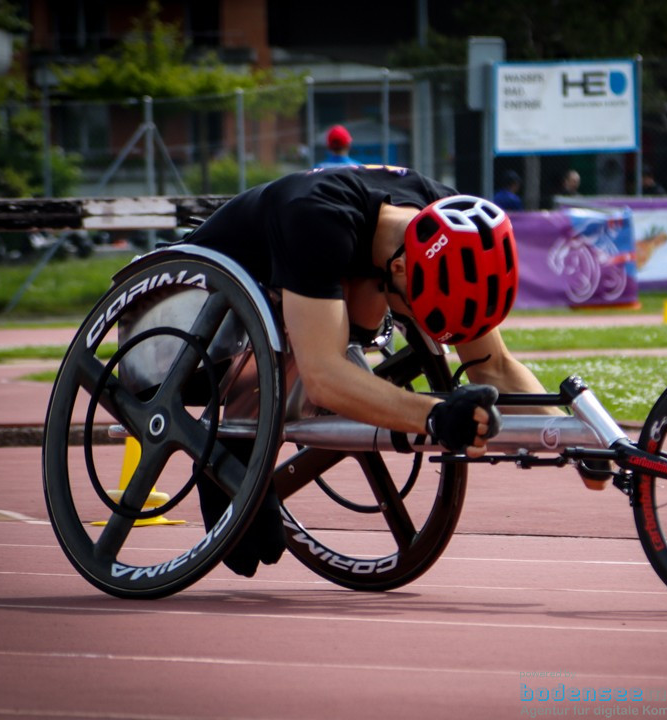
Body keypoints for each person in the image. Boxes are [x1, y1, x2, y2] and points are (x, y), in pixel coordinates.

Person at [184, 165, 557, 577]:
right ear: (399, 268)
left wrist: (578, 441)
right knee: (255, 544)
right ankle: (227, 442)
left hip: (273, 326)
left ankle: (244, 442)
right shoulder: (318, 221)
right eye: (421, 309)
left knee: (257, 545)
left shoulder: (439, 218)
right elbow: (324, 377)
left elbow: (497, 367)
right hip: (187, 335)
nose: (416, 323)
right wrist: (435, 416)